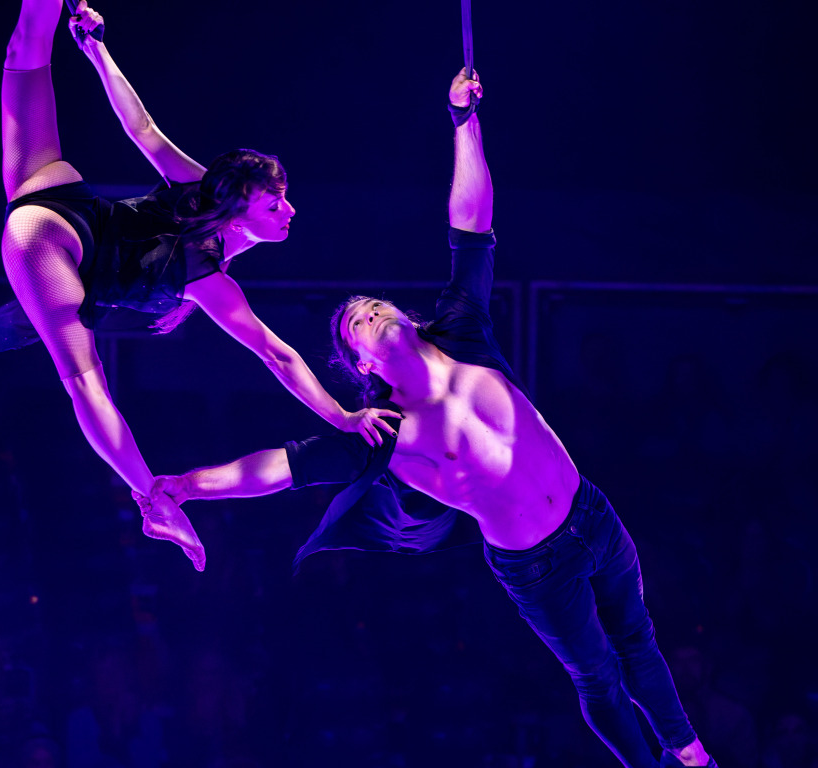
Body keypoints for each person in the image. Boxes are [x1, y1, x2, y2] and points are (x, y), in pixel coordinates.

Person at [137, 70, 719, 768]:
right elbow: (282, 467)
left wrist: (462, 122)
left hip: (591, 512)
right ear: (363, 364)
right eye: (355, 321)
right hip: (535, 563)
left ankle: (690, 755)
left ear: (406, 314)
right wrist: (186, 485)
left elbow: (472, 228)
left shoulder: (463, 329)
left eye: (373, 302)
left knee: (640, 641)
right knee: (595, 674)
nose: (369, 309)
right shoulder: (381, 431)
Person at [0, 0, 398, 571]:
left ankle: (153, 496)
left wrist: (98, 49)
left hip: (48, 191)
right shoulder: (206, 277)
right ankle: (151, 497)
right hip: (47, 238)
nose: (289, 210)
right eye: (274, 204)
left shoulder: (199, 191)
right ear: (238, 216)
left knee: (26, 42)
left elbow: (143, 130)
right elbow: (277, 356)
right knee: (84, 382)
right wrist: (343, 418)